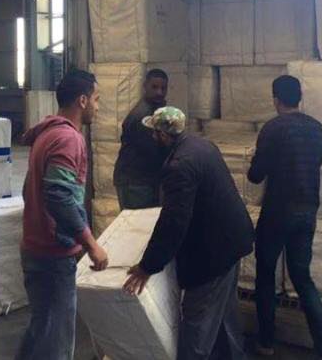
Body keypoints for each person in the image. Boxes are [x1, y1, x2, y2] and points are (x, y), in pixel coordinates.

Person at [123, 106, 254, 360]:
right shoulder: (201, 145)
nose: (152, 137)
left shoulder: (179, 166)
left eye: (154, 133)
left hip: (213, 255)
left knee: (197, 328)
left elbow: (174, 222)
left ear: (163, 135)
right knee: (224, 316)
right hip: (232, 241)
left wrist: (147, 266)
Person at [16, 70, 109, 360]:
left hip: (35, 247)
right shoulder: (68, 139)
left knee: (42, 328)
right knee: (56, 342)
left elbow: (28, 188)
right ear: (82, 101)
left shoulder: (46, 133)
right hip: (53, 254)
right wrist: (91, 244)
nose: (98, 106)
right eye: (96, 99)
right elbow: (59, 196)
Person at [247, 75, 322, 360]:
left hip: (277, 212)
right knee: (302, 278)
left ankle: (266, 343)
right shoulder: (317, 129)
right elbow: (315, 163)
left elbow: (256, 174)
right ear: (300, 97)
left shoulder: (272, 129)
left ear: (276, 99)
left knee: (265, 276)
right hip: (308, 211)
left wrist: (256, 160)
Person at [113, 69, 169, 210]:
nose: (159, 92)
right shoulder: (143, 116)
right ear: (145, 86)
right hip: (135, 182)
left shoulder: (154, 110)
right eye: (154, 87)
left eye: (163, 88)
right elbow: (153, 151)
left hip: (141, 180)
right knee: (138, 221)